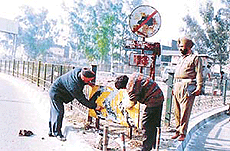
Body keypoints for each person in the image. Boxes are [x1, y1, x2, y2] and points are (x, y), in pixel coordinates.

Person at [48, 67, 103, 141]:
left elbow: (83, 79)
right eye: (89, 80)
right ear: (84, 78)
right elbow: (82, 99)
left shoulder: (79, 71)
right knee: (59, 112)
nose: (90, 81)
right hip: (56, 93)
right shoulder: (74, 85)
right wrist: (95, 106)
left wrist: (88, 83)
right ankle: (57, 133)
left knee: (54, 111)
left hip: (59, 91)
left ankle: (51, 131)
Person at [115, 73, 164, 151]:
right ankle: (154, 144)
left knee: (146, 124)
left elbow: (132, 103)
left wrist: (124, 106)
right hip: (159, 96)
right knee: (155, 123)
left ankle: (146, 148)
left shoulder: (131, 88)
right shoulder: (134, 75)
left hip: (153, 100)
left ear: (123, 87)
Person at [171, 37, 203, 141]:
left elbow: (199, 73)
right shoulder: (181, 58)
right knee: (176, 111)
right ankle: (177, 130)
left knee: (185, 110)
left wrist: (199, 86)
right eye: (179, 46)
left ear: (188, 47)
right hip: (177, 85)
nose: (180, 49)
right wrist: (173, 86)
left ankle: (183, 133)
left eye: (182, 46)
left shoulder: (195, 58)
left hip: (188, 86)